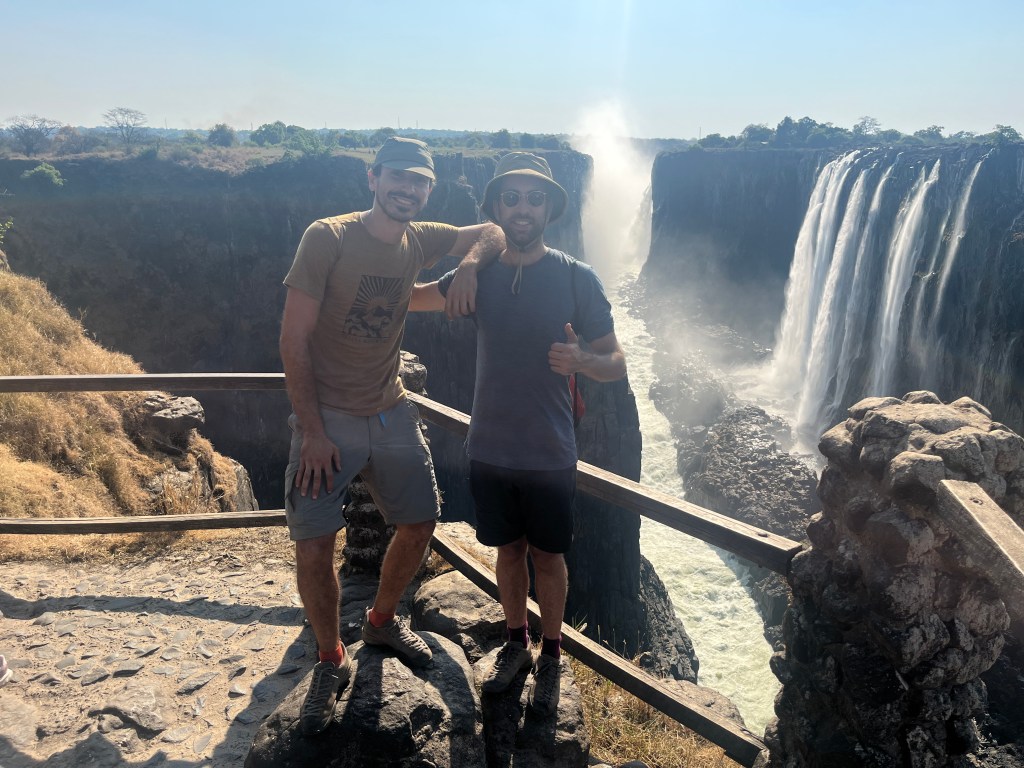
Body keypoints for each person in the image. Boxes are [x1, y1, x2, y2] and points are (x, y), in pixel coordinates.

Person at [280, 136, 503, 737]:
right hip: (328, 418)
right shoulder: (327, 237)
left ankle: (380, 621)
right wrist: (314, 429)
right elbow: (292, 339)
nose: (408, 189)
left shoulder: (421, 238)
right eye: (398, 178)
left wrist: (470, 270)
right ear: (373, 179)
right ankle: (330, 656)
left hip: (390, 408)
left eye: (420, 182)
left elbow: (492, 231)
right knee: (315, 541)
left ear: (429, 189)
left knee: (420, 520)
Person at [412, 152, 627, 717]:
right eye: (512, 198)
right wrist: (357, 285)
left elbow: (615, 361)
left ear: (550, 210)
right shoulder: (477, 275)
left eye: (535, 199)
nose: (523, 208)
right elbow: (413, 299)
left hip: (551, 451)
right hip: (489, 448)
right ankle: (517, 642)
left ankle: (552, 650)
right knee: (508, 552)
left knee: (549, 558)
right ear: (496, 209)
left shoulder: (577, 278)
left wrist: (581, 357)